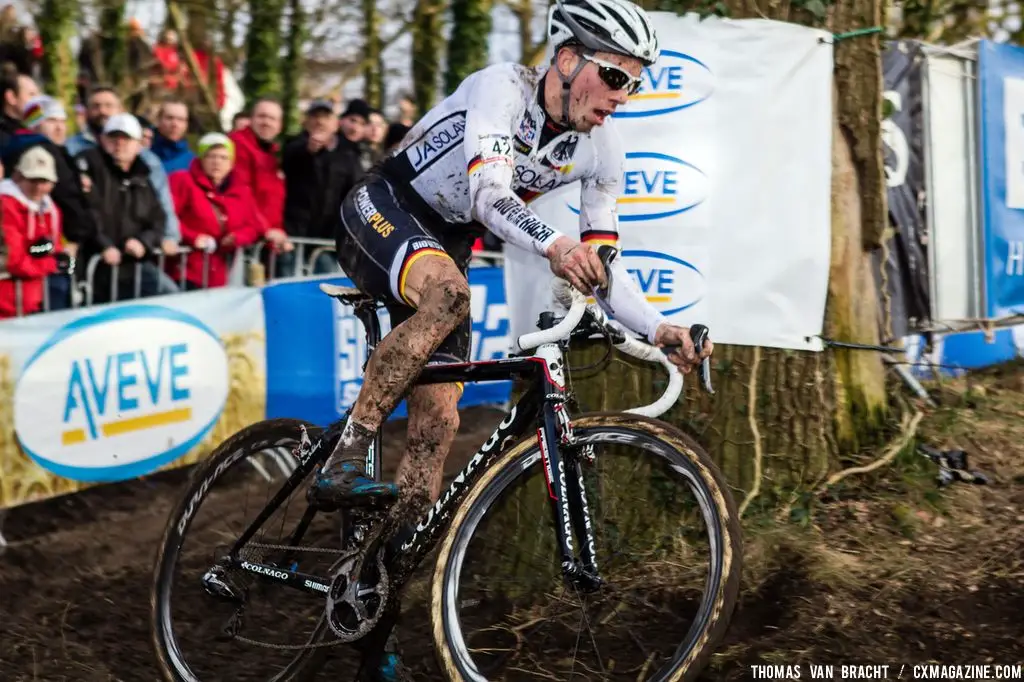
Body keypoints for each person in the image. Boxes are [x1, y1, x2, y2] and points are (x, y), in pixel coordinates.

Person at [309, 0, 712, 677]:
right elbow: (490, 196)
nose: (624, 96)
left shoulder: (602, 148)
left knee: (437, 430)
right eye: (615, 76)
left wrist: (660, 327)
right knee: (450, 296)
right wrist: (555, 245)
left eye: (635, 83)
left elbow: (604, 268)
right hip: (387, 206)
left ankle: (373, 609)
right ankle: (345, 452)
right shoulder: (502, 90)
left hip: (449, 244)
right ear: (565, 58)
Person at [75, 113, 179, 303]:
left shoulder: (144, 176)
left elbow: (158, 219)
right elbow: (85, 212)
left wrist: (144, 242)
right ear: (103, 140)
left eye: (126, 138)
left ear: (139, 145)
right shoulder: (88, 165)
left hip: (133, 264)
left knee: (170, 295)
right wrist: (104, 245)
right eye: (114, 137)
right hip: (96, 265)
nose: (119, 143)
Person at [168, 133, 264, 289]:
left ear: (231, 163)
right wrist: (193, 237)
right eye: (211, 156)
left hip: (220, 274)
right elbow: (168, 218)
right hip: (185, 270)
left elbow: (253, 226)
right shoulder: (182, 180)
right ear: (201, 159)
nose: (217, 162)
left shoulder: (242, 191)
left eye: (223, 157)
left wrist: (237, 237)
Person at [0, 146, 70, 317]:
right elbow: (13, 260)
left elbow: (57, 251)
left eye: (44, 181)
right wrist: (51, 264)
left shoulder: (50, 210)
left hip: (35, 302)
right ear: (18, 177)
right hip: (8, 307)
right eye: (33, 180)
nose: (38, 187)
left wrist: (64, 261)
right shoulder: (6, 206)